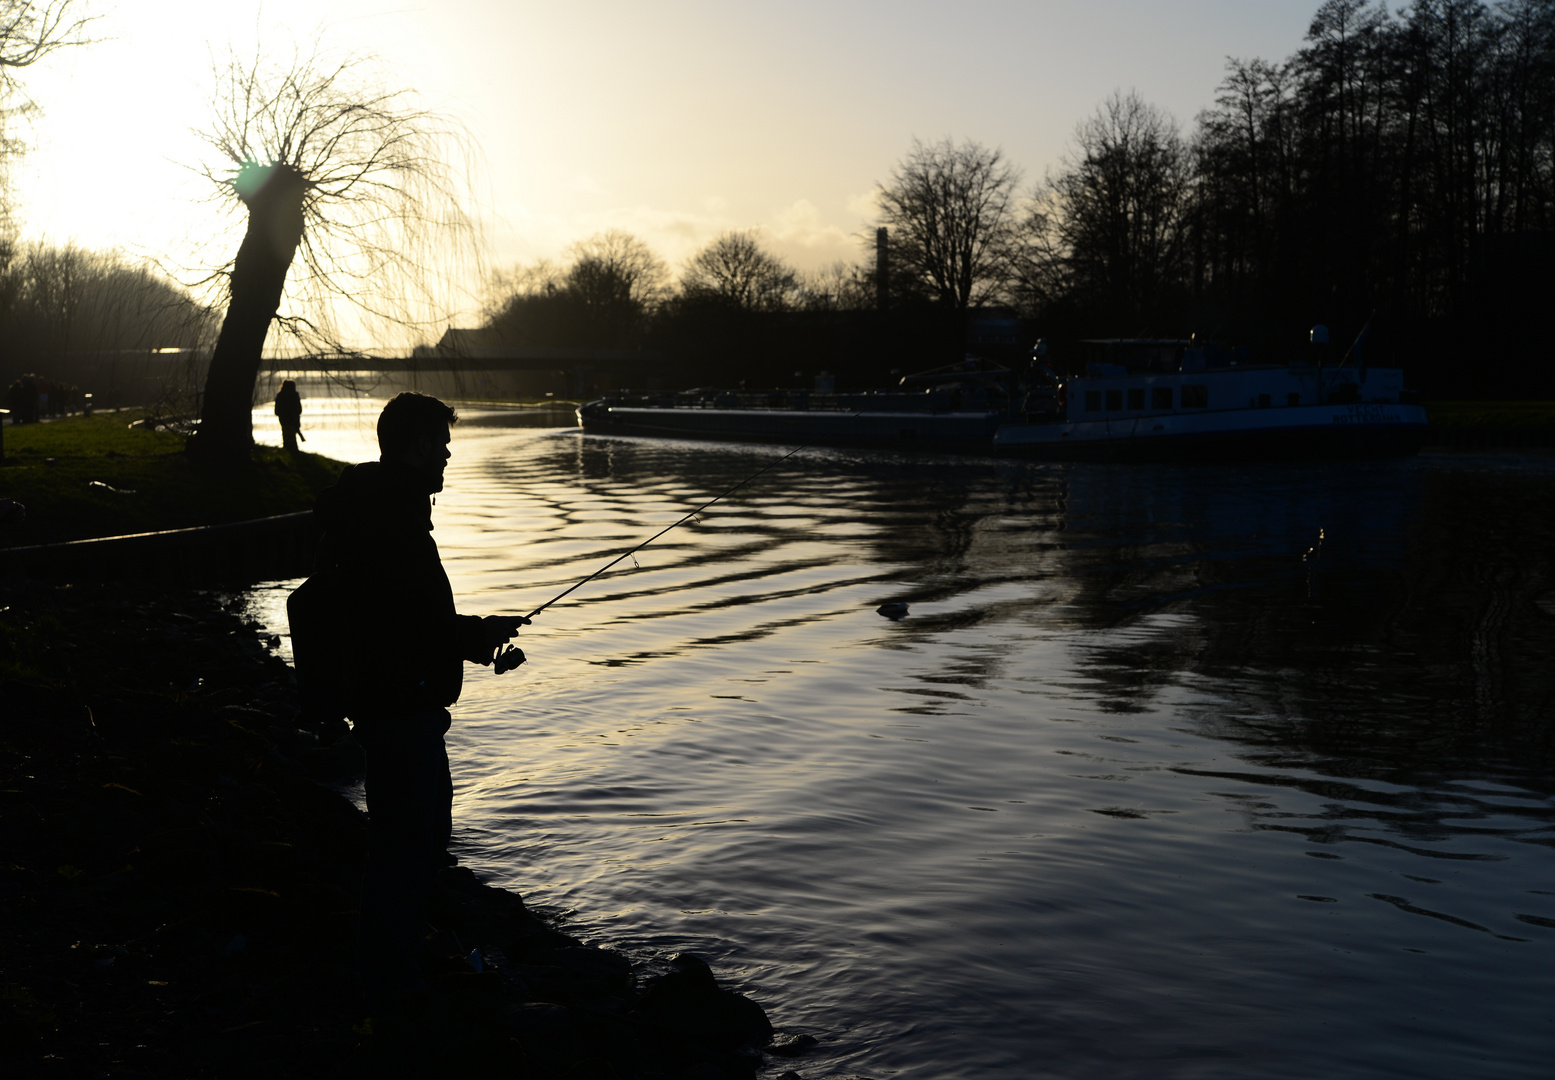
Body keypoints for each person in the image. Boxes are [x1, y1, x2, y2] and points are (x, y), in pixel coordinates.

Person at [306, 391, 528, 1011]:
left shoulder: (378, 511)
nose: (450, 456)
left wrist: (476, 634)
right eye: (442, 443)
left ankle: (405, 954)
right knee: (404, 849)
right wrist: (478, 634)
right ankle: (391, 984)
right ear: (417, 445)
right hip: (400, 707)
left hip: (403, 704)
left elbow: (409, 618)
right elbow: (408, 625)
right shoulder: (391, 522)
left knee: (419, 839)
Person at [274, 379, 303, 451]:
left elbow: (277, 411)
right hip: (294, 420)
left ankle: (287, 449)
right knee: (292, 436)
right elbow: (299, 409)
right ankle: (293, 450)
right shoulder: (295, 395)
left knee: (286, 435)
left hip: (283, 420)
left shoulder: (280, 395)